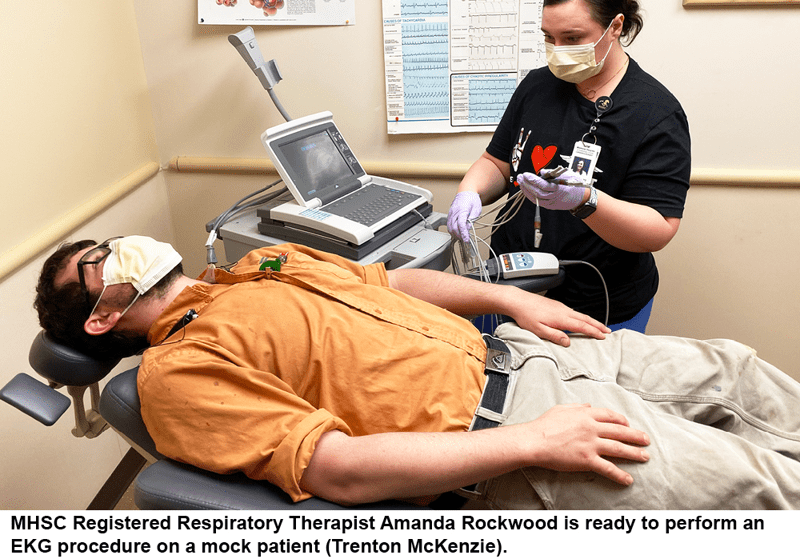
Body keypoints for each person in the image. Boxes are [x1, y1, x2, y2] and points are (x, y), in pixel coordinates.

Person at [34, 236, 800, 509]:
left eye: (105, 242)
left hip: (523, 354)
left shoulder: (254, 266)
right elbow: (333, 466)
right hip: (507, 433)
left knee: (735, 370)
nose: (116, 249)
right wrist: (532, 443)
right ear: (101, 317)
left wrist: (506, 301)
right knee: (761, 486)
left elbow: (391, 284)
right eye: (97, 263)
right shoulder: (178, 375)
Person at [447, 0, 691, 332]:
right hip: (511, 291)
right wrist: (470, 191)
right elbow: (497, 163)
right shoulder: (537, 87)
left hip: (598, 304)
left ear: (616, 26)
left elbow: (658, 229)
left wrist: (586, 201)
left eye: (573, 38)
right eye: (549, 37)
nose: (558, 50)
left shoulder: (655, 113)